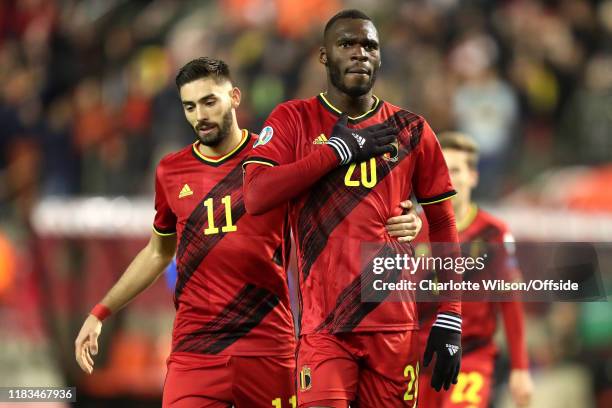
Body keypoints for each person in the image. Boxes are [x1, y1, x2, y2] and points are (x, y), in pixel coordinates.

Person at [74, 57, 424, 408]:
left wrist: (409, 219)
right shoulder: (170, 171)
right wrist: (100, 312)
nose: (200, 116)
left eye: (209, 102)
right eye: (190, 107)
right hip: (197, 350)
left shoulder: (277, 164)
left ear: (235, 97)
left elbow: (345, 215)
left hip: (269, 346)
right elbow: (157, 252)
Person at [243, 10, 463, 408]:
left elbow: (444, 223)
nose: (360, 53)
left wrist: (450, 314)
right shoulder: (294, 119)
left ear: (380, 58)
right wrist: (335, 153)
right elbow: (256, 196)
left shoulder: (411, 129)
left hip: (393, 327)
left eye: (370, 46)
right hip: (324, 328)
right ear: (324, 56)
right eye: (347, 44)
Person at [415, 131, 533, 408]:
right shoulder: (413, 230)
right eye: (440, 169)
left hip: (470, 357)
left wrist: (520, 367)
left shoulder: (493, 233)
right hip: (416, 363)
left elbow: (511, 300)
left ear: (473, 176)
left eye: (455, 170)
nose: (446, 177)